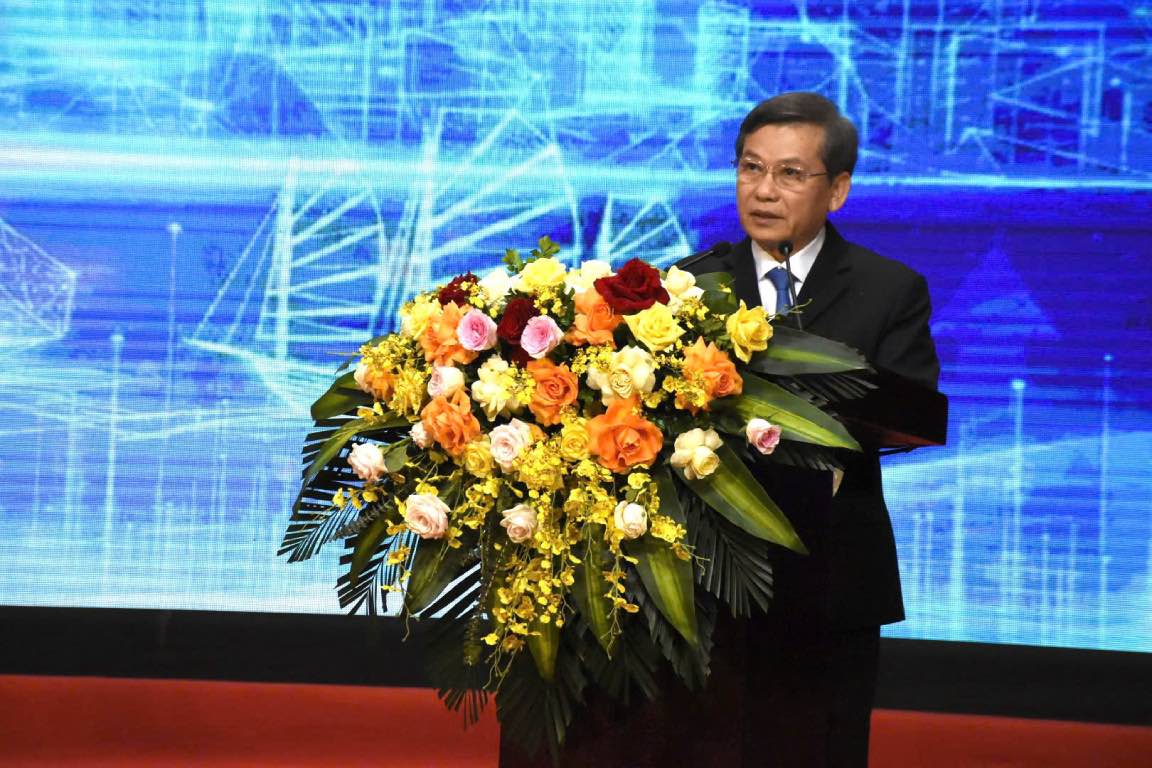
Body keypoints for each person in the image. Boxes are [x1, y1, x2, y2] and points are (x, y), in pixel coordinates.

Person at [678, 91, 941, 767]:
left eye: (790, 174)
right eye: (750, 168)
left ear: (838, 190)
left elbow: (912, 413)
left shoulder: (890, 289)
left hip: (832, 575)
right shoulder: (686, 284)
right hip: (703, 575)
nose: (764, 191)